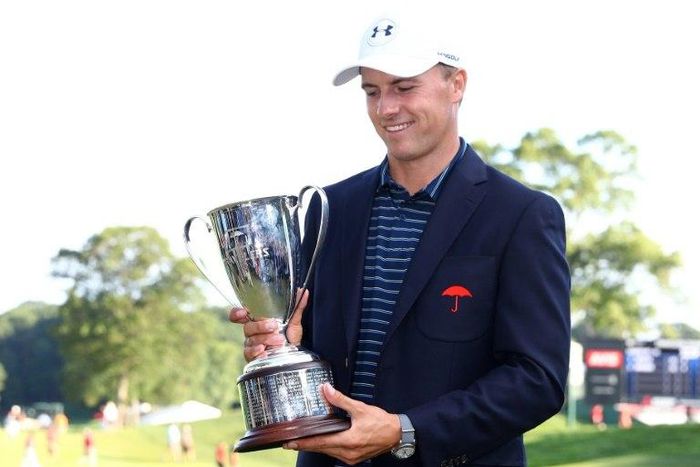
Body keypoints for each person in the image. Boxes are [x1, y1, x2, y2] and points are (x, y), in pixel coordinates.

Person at [230, 9, 570, 467]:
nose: (386, 108)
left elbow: (537, 380)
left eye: (404, 87)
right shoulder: (329, 208)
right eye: (372, 91)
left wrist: (405, 430)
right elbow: (309, 350)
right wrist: (279, 348)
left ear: (457, 85)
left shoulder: (521, 215)